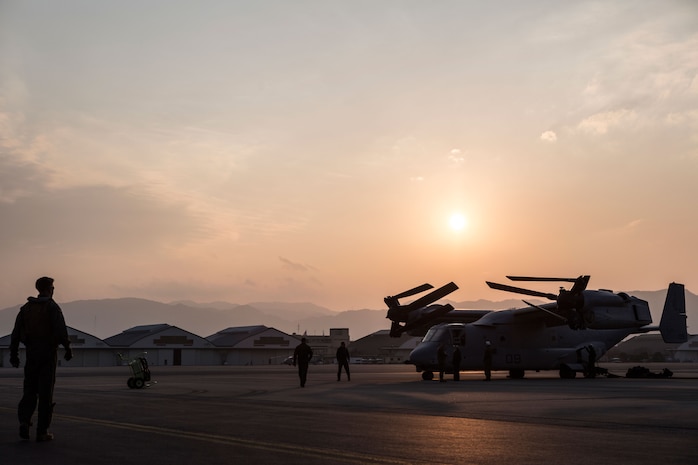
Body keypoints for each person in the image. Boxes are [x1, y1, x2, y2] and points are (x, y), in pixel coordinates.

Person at [10, 277, 73, 442]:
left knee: (29, 391)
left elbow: (15, 333)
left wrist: (13, 355)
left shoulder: (26, 309)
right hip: (47, 355)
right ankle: (42, 431)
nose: (53, 290)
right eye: (52, 287)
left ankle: (24, 421)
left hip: (31, 355)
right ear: (48, 289)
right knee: (45, 394)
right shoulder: (52, 307)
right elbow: (61, 330)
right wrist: (67, 348)